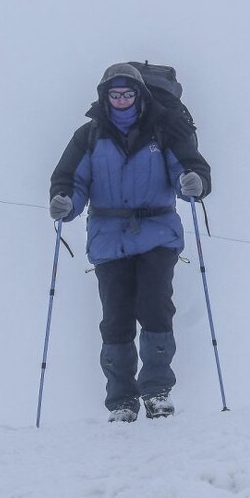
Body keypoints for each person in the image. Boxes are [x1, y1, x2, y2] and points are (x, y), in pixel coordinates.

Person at [49, 63, 211, 422]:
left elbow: (190, 167)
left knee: (155, 307)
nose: (121, 100)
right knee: (116, 318)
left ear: (140, 96)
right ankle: (122, 401)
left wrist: (194, 182)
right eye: (114, 94)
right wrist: (65, 203)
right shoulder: (88, 136)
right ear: (104, 96)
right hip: (109, 239)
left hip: (157, 235)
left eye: (127, 93)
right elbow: (70, 181)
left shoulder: (163, 131)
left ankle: (156, 392)